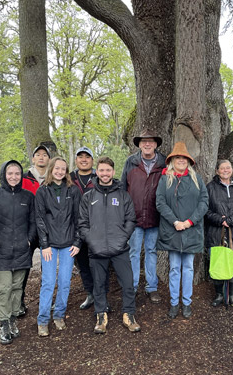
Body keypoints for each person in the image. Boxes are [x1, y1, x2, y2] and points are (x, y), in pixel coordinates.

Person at [79, 156, 140, 334]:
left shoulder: (123, 195)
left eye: (108, 170)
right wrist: (92, 241)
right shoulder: (89, 196)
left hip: (119, 248)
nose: (105, 173)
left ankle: (129, 314)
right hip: (96, 250)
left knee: (128, 283)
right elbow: (82, 223)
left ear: (113, 172)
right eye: (102, 170)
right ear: (96, 172)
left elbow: (131, 220)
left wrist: (122, 239)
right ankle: (101, 315)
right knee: (98, 284)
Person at [0, 160, 36, 345]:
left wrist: (28, 239)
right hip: (0, 251)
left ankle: (13, 320)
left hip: (22, 250)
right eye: (10, 173)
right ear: (3, 174)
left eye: (17, 173)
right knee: (4, 288)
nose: (13, 177)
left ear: (21, 176)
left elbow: (33, 222)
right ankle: (3, 323)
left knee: (17, 288)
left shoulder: (28, 197)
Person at [156, 142, 208, 319]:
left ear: (188, 161)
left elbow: (204, 202)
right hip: (173, 231)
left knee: (188, 268)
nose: (181, 160)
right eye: (178, 157)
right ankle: (173, 303)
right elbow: (160, 202)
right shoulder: (165, 179)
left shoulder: (197, 179)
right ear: (172, 160)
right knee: (175, 268)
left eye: (183, 158)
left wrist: (189, 222)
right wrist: (175, 221)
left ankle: (186, 303)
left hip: (191, 230)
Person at [35, 157, 81, 337]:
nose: (60, 172)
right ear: (51, 169)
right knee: (48, 282)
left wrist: (77, 242)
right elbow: (39, 219)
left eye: (63, 169)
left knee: (64, 282)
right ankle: (43, 320)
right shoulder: (42, 191)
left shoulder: (73, 190)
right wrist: (44, 244)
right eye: (57, 168)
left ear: (66, 171)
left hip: (69, 244)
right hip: (50, 246)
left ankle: (59, 315)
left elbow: (79, 218)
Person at [121, 130, 166, 303]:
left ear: (155, 144)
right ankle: (132, 287)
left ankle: (151, 287)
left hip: (155, 217)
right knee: (133, 252)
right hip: (134, 217)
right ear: (139, 145)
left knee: (151, 252)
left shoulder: (163, 164)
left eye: (151, 141)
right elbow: (123, 189)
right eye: (144, 142)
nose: (147, 144)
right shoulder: (131, 162)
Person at [205, 159, 233, 308]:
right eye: (222, 168)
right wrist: (220, 220)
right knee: (217, 263)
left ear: (232, 170)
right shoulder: (210, 188)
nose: (225, 170)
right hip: (216, 232)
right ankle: (218, 294)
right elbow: (205, 209)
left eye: (228, 167)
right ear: (217, 171)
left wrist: (231, 220)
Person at [19, 144, 51, 316]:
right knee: (24, 266)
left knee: (48, 268)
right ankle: (19, 300)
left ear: (49, 159)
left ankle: (47, 301)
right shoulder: (24, 178)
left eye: (44, 155)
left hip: (48, 229)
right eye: (38, 155)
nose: (41, 157)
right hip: (28, 228)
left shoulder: (53, 178)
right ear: (33, 158)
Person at [70, 146, 97, 310]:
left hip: (95, 228)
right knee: (82, 264)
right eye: (81, 157)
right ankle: (90, 293)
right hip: (74, 229)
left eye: (87, 157)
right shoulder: (69, 178)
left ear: (92, 160)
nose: (84, 159)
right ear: (76, 160)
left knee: (98, 263)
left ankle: (101, 293)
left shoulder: (98, 176)